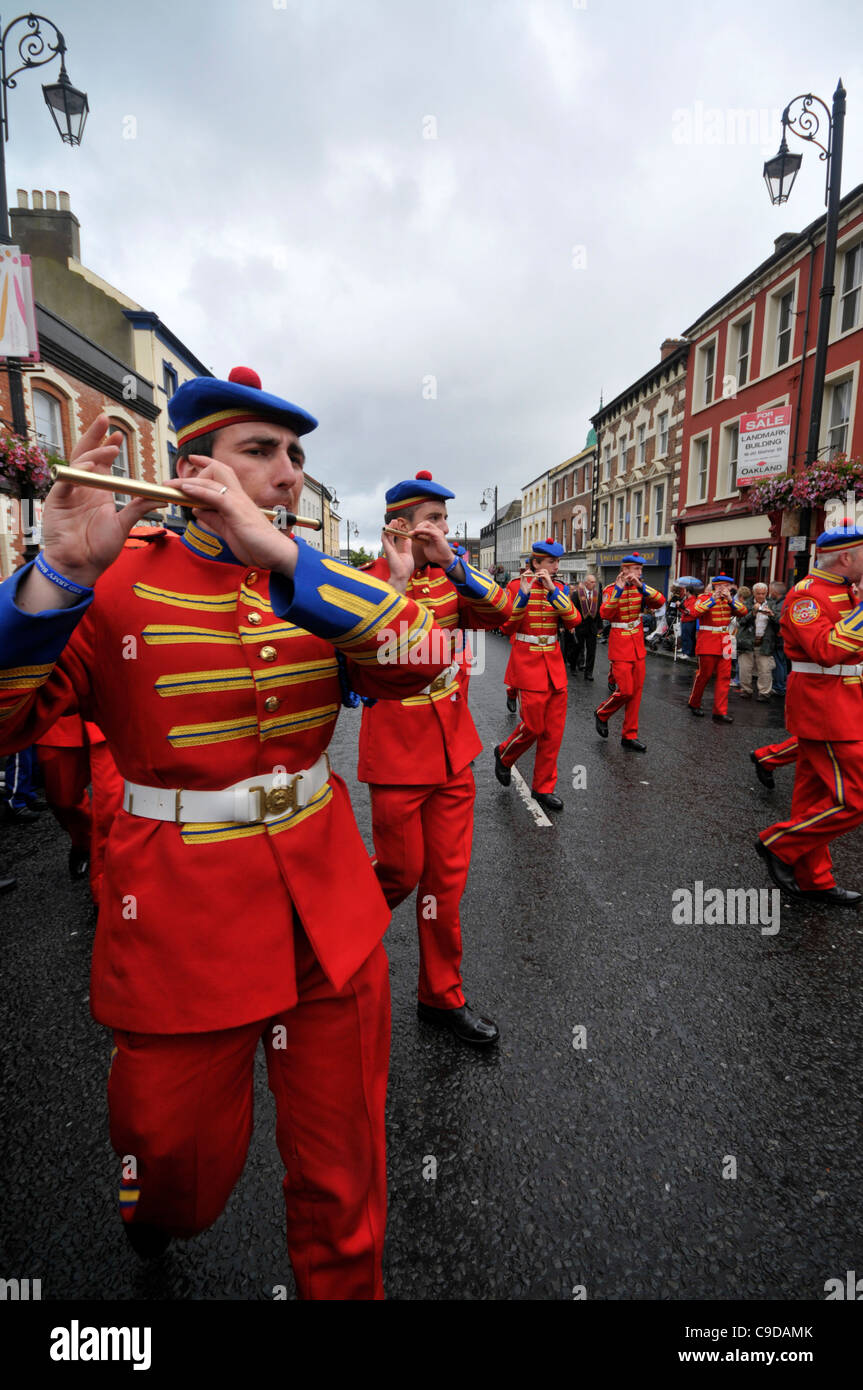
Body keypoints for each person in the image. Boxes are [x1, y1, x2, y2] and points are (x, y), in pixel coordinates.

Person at [0, 366, 451, 1299]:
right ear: (191, 468)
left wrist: (290, 563)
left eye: (295, 456)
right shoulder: (112, 579)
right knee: (175, 1170)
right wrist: (56, 578)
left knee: (345, 1176)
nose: (288, 474)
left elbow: (427, 660)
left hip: (328, 912)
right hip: (178, 918)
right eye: (261, 452)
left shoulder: (314, 584)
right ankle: (152, 1212)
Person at [357, 470, 511, 1046]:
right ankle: (334, 940)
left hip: (453, 751)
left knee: (445, 885)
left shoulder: (453, 579)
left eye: (446, 520)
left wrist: (456, 564)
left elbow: (503, 615)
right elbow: (363, 654)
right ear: (400, 525)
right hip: (397, 752)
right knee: (400, 872)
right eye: (435, 521)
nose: (446, 529)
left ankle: (440, 997)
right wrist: (396, 581)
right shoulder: (370, 581)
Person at [756, 523, 863, 906]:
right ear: (847, 558)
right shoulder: (809, 596)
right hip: (826, 706)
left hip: (844, 702)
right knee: (856, 799)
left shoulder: (846, 590)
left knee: (812, 798)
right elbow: (827, 650)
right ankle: (780, 843)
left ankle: (814, 877)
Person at [494, 539, 581, 812]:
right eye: (551, 562)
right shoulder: (514, 587)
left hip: (554, 665)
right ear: (535, 563)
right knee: (533, 726)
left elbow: (574, 620)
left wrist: (554, 590)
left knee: (553, 733)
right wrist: (524, 594)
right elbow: (507, 627)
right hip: (528, 663)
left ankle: (544, 788)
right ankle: (504, 754)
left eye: (557, 563)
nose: (556, 567)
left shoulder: (561, 588)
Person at [36, 712, 124, 902]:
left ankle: (106, 891)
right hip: (58, 716)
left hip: (107, 714)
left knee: (111, 806)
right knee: (63, 800)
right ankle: (83, 843)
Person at [593, 552, 664, 752]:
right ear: (625, 570)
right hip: (620, 645)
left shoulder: (642, 589)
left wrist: (641, 585)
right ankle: (602, 713)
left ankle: (629, 735)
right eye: (636, 569)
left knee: (636, 694)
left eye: (641, 569)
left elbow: (660, 601)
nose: (640, 572)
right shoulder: (610, 589)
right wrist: (618, 589)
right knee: (625, 690)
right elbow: (605, 613)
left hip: (637, 645)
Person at [687, 575, 747, 723]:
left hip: (725, 641)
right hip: (708, 641)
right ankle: (694, 703)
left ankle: (720, 711)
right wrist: (713, 599)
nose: (728, 589)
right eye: (725, 586)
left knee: (725, 677)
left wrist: (731, 600)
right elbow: (695, 612)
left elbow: (743, 612)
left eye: (729, 586)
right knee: (704, 675)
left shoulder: (730, 601)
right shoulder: (704, 598)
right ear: (717, 586)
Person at [736, 583, 780, 700]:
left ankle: (764, 693)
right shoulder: (746, 604)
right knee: (745, 668)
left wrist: (771, 614)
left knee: (765, 669)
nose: (761, 596)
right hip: (747, 641)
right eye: (758, 593)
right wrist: (753, 613)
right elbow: (741, 621)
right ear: (753, 593)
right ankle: (746, 690)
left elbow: (780, 621)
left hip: (765, 642)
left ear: (767, 593)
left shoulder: (772, 604)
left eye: (763, 593)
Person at [571, 574, 602, 680]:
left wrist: (600, 626)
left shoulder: (597, 595)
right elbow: (572, 611)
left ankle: (589, 673)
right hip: (580, 627)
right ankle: (573, 667)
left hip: (592, 628)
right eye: (592, 582)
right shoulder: (576, 594)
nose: (594, 584)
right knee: (577, 648)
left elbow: (598, 612)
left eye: (594, 582)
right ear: (586, 583)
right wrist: (571, 625)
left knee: (591, 651)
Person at [769, 580, 789, 694]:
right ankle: (782, 684)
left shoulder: (780, 605)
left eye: (771, 590)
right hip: (783, 637)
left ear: (775, 592)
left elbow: (780, 620)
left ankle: (779, 686)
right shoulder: (785, 602)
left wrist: (770, 614)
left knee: (778, 662)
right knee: (782, 662)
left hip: (779, 637)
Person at [679, 585, 701, 658]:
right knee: (684, 636)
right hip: (684, 620)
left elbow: (689, 611)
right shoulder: (686, 599)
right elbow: (683, 610)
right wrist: (679, 606)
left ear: (688, 591)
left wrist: (681, 606)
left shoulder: (693, 600)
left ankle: (689, 653)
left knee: (688, 637)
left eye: (685, 590)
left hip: (690, 621)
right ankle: (684, 651)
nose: (684, 592)